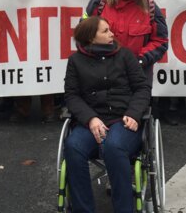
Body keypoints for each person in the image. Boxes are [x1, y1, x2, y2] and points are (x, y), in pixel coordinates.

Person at [64, 15, 151, 213]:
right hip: (91, 121)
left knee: (114, 146)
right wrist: (90, 118)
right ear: (90, 38)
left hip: (123, 119)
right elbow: (72, 96)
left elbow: (142, 88)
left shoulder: (125, 55)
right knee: (73, 147)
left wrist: (134, 113)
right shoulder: (75, 61)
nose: (112, 34)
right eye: (105, 31)